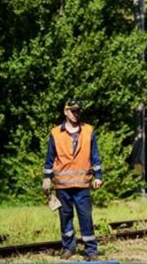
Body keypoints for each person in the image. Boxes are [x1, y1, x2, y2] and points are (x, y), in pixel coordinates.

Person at [43, 99, 103, 260]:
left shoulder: (89, 131)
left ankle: (91, 250)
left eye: (78, 111)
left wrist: (98, 176)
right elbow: (50, 158)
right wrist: (47, 178)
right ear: (65, 112)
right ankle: (68, 248)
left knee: (85, 217)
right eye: (72, 111)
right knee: (65, 218)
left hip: (82, 184)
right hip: (62, 186)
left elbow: (95, 156)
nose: (76, 114)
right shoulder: (55, 133)